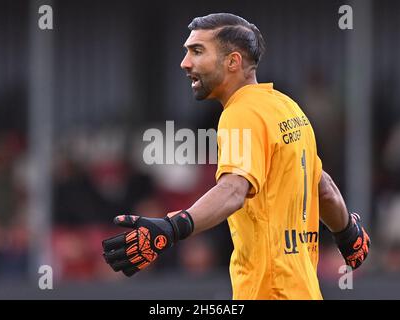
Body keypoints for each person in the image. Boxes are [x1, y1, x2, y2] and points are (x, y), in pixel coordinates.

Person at [102, 13, 370, 300]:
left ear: (233, 62)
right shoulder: (286, 107)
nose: (185, 62)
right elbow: (324, 187)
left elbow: (233, 190)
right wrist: (347, 232)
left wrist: (171, 227)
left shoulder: (240, 113)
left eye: (197, 51)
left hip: (269, 291)